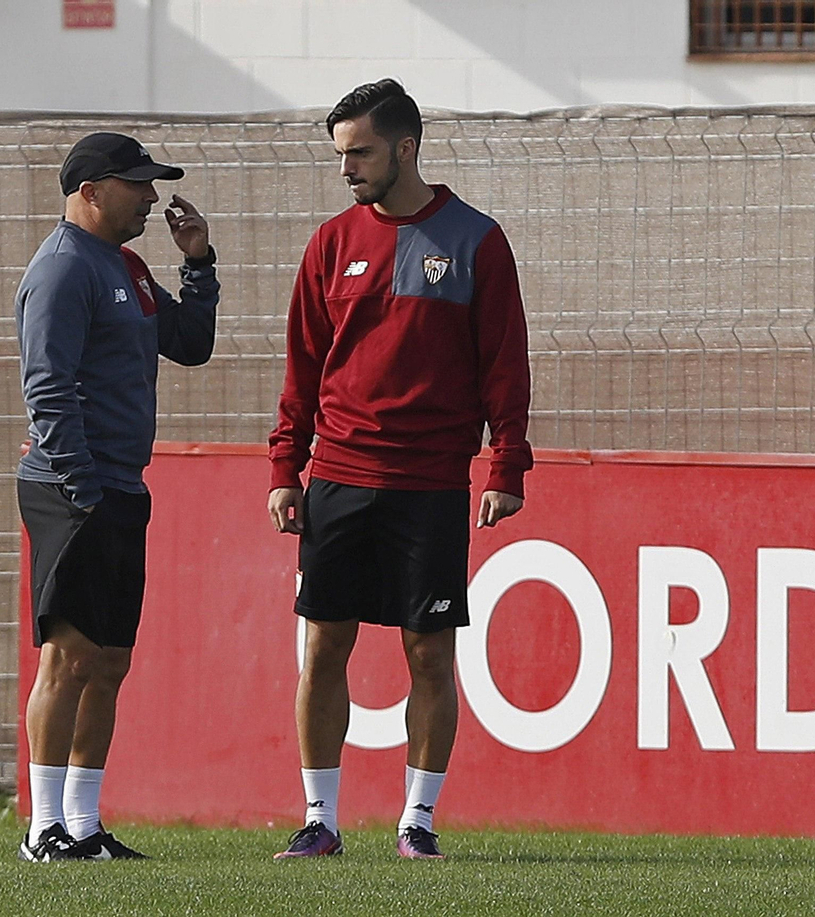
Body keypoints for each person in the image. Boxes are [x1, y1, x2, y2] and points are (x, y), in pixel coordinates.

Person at [267, 79, 532, 860]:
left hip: (432, 482)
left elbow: (504, 366)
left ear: (406, 148)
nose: (346, 167)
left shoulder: (476, 240)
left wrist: (506, 465)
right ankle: (321, 819)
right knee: (324, 648)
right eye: (340, 153)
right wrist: (287, 466)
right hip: (339, 475)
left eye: (360, 151)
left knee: (428, 653)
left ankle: (417, 821)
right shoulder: (329, 243)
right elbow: (302, 366)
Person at [16, 132, 218, 862]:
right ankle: (42, 827)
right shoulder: (64, 269)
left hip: (119, 486)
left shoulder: (126, 265)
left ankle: (83, 823)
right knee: (67, 657)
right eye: (139, 185)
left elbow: (191, 342)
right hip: (75, 487)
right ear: (92, 192)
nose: (154, 197)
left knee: (108, 661)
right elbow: (47, 386)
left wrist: (198, 263)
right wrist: (81, 483)